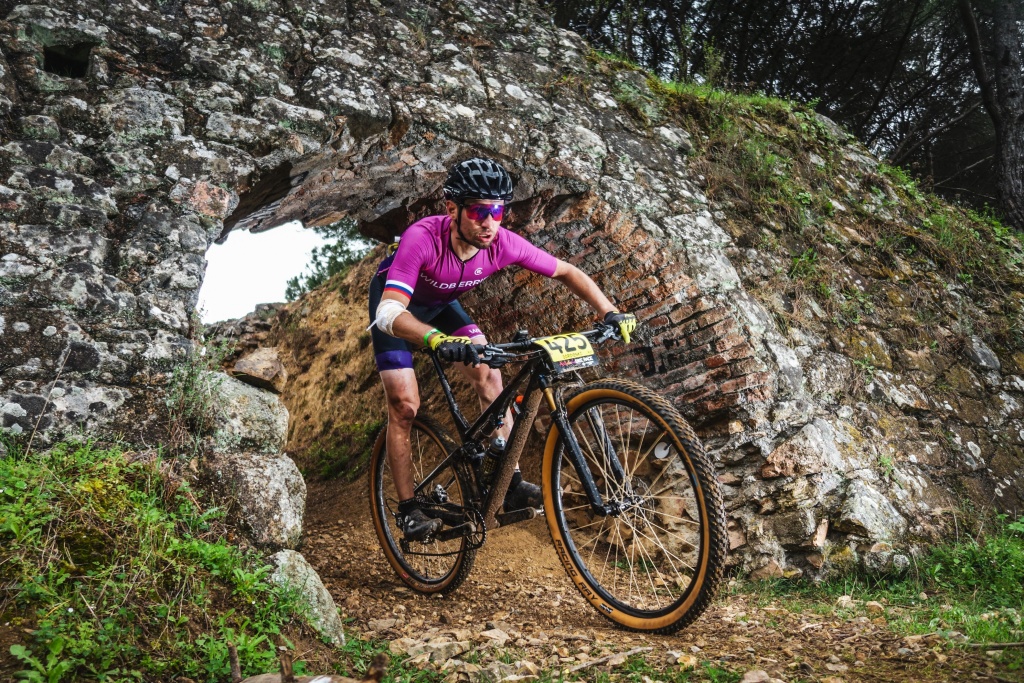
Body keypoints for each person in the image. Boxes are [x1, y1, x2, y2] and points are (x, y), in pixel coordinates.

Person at [368, 157, 637, 541]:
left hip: (442, 305)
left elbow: (567, 271)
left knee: (491, 373)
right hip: (397, 310)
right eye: (479, 211)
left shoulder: (502, 243)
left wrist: (610, 311)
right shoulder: (422, 238)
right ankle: (409, 508)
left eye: (497, 211)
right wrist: (436, 340)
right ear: (452, 209)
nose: (489, 222)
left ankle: (507, 481)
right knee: (405, 405)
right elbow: (390, 312)